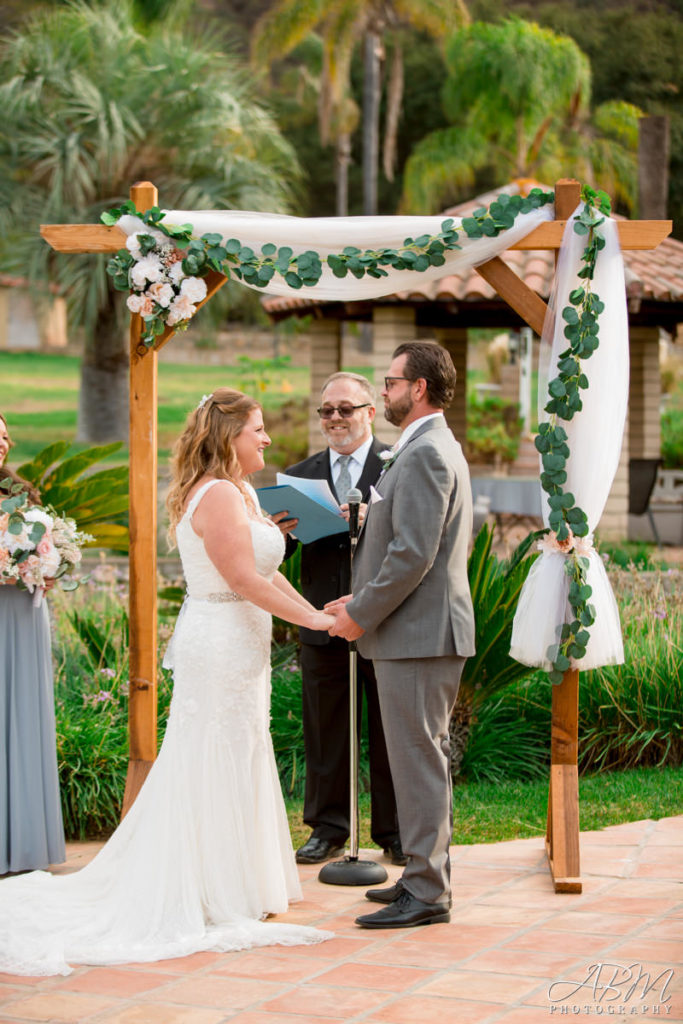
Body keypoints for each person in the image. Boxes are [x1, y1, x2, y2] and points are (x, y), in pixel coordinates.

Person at [0, 389, 334, 976]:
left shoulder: (243, 492)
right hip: (222, 639)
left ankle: (240, 881)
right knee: (211, 753)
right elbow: (243, 579)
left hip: (240, 637)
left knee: (241, 749)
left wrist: (318, 614)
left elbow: (266, 574)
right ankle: (207, 885)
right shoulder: (219, 497)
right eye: (256, 429)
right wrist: (314, 622)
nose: (266, 439)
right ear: (229, 435)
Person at [327, 342, 475, 929]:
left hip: (420, 634)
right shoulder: (418, 448)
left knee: (418, 761)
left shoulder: (426, 454)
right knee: (417, 759)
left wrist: (361, 615)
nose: (382, 391)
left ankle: (427, 892)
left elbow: (414, 555)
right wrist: (357, 598)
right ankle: (419, 873)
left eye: (388, 382)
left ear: (416, 389)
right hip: (412, 631)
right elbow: (397, 545)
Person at [279, 372, 403, 866]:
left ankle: (394, 831)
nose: (334, 418)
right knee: (326, 731)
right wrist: (281, 530)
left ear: (370, 412)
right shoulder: (301, 474)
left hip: (383, 619)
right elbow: (283, 551)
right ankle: (327, 828)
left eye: (344, 409)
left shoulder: (397, 466)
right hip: (322, 622)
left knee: (390, 731)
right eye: (326, 410)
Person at [0, 414, 65, 876]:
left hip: (23, 614)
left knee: (22, 713)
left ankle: (23, 842)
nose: (1, 443)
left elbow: (49, 553)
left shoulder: (20, 496)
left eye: (4, 435)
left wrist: (50, 563)